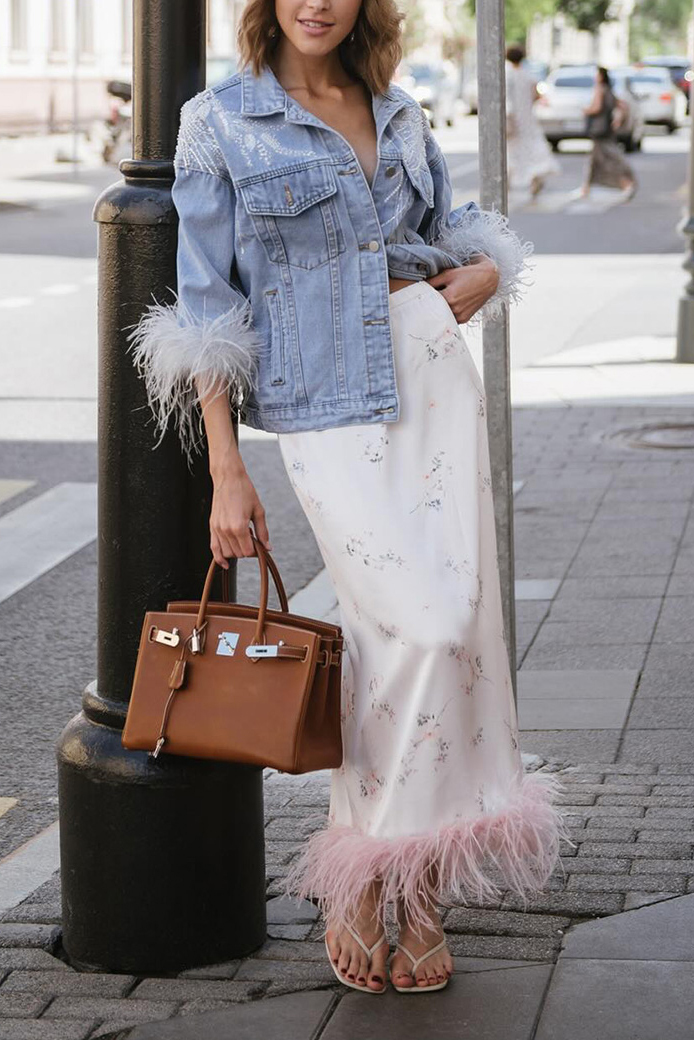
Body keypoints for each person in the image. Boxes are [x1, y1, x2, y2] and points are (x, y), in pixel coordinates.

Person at [127, 0, 570, 996]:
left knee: (445, 627)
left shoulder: (401, 111)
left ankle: (404, 888)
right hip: (323, 407)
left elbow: (445, 238)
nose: (316, 3)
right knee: (412, 624)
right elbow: (206, 303)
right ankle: (365, 862)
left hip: (429, 378)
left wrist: (489, 270)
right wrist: (225, 468)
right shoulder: (221, 120)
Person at [505, 43, 559, 197]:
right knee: (533, 150)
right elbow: (537, 95)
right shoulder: (528, 76)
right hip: (527, 120)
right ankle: (535, 178)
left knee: (511, 152)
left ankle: (507, 182)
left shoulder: (506, 74)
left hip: (511, 121)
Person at [580, 66, 637, 199]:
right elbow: (623, 106)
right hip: (606, 129)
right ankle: (585, 188)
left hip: (599, 129)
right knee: (595, 160)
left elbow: (596, 107)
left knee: (610, 158)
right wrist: (618, 121)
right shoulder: (610, 91)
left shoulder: (600, 89)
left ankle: (626, 183)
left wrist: (586, 110)